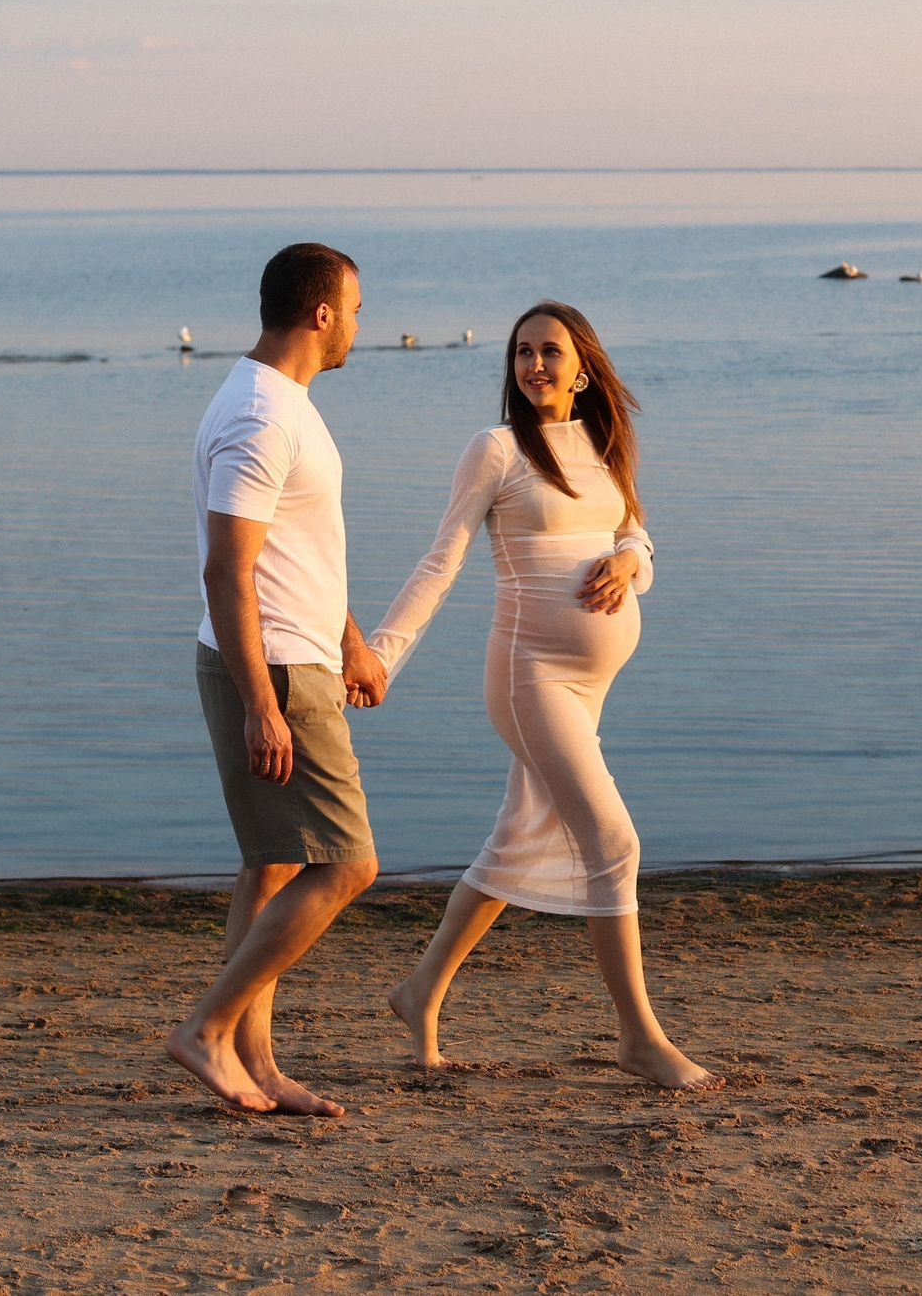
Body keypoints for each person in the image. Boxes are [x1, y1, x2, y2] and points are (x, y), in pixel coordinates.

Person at [372, 301, 719, 1091]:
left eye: (550, 352)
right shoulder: (495, 450)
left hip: (589, 683)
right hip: (531, 676)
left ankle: (420, 989)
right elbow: (440, 562)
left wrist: (632, 562)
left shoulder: (602, 445)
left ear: (583, 368)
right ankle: (639, 1038)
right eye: (522, 352)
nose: (534, 365)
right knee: (614, 842)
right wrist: (383, 658)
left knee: (519, 838)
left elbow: (634, 530)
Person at [164, 243, 388, 1115]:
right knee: (350, 863)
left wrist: (355, 640)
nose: (360, 327)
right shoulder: (262, 416)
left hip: (302, 653)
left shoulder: (279, 402)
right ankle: (207, 1029)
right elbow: (228, 570)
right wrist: (264, 704)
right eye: (357, 311)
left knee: (272, 865)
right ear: (322, 314)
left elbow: (297, 552)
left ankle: (255, 1063)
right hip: (278, 669)